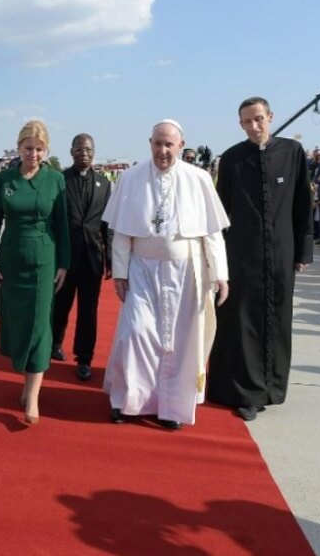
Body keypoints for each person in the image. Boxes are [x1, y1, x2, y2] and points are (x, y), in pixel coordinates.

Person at [102, 120, 230, 430]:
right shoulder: (131, 178)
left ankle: (171, 407)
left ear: (181, 145)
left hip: (186, 273)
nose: (163, 151)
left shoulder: (199, 179)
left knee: (181, 342)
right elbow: (121, 234)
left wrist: (220, 274)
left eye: (169, 145)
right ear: (150, 143)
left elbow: (212, 234)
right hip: (142, 271)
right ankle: (127, 399)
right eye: (158, 144)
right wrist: (120, 272)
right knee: (135, 333)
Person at [207, 97, 313, 422]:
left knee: (277, 318)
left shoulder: (292, 154)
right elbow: (221, 213)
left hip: (281, 252)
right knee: (242, 320)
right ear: (240, 124)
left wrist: (303, 250)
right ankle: (245, 392)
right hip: (242, 252)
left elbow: (302, 203)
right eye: (246, 122)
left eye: (258, 119)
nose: (253, 127)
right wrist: (218, 259)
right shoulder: (233, 159)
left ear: (270, 117)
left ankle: (273, 387)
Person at [0, 120, 70, 424]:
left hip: (44, 260)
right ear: (18, 147)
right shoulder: (5, 179)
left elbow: (62, 224)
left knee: (39, 325)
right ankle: (26, 381)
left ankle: (33, 396)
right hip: (10, 260)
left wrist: (64, 262)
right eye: (28, 148)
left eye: (39, 149)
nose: (33, 154)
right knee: (19, 324)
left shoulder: (54, 179)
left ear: (46, 150)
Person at [51, 133, 112, 381]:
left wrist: (109, 259)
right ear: (71, 151)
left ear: (94, 152)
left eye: (87, 149)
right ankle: (54, 344)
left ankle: (84, 359)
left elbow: (107, 223)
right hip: (65, 258)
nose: (83, 153)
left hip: (92, 258)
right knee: (60, 306)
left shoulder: (104, 184)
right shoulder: (60, 180)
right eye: (78, 149)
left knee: (89, 311)